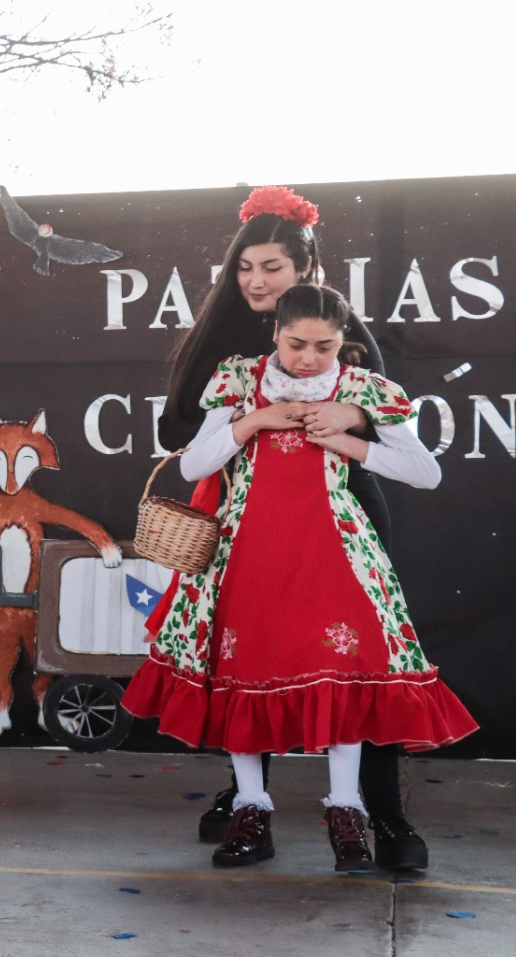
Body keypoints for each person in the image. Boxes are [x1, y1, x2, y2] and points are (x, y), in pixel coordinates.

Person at [123, 284, 477, 872]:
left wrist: (346, 437)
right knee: (242, 667)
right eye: (295, 344)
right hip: (245, 550)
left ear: (345, 342)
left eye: (324, 346)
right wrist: (254, 421)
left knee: (341, 673)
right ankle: (252, 807)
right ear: (275, 335)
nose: (308, 358)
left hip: (334, 550)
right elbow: (191, 465)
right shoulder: (238, 380)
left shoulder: (362, 388)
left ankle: (346, 812)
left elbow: (426, 472)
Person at [160, 186, 427, 871]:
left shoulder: (339, 331)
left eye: (271, 267)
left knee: (358, 658)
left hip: (343, 511)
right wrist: (249, 421)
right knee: (252, 650)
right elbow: (177, 433)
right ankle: (248, 801)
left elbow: (382, 415)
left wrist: (352, 423)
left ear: (304, 269)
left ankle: (381, 815)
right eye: (245, 266)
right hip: (247, 513)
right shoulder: (223, 347)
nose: (255, 280)